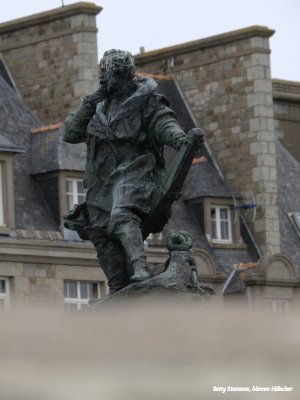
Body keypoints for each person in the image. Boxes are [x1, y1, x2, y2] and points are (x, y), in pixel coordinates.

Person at [62, 49, 188, 294]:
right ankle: (118, 286)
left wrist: (179, 138)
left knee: (122, 212)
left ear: (130, 75)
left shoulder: (147, 100)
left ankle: (141, 267)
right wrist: (92, 100)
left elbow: (164, 123)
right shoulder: (97, 106)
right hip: (102, 180)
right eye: (111, 75)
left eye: (120, 75)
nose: (115, 81)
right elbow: (70, 133)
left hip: (137, 172)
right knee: (98, 232)